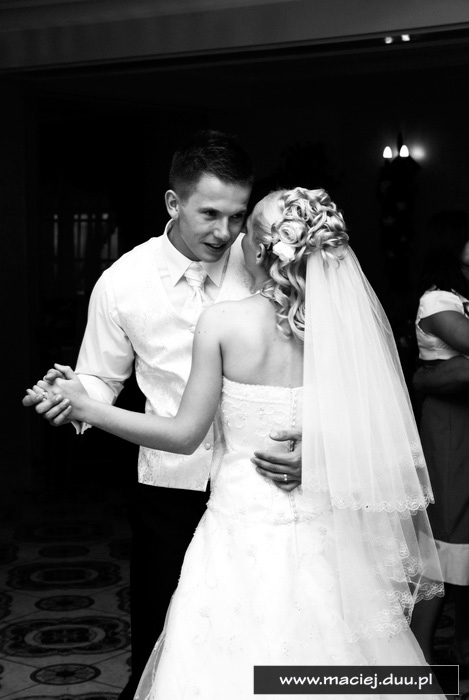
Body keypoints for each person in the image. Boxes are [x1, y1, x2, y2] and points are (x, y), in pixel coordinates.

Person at [27, 187, 444, 699]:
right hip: (326, 536)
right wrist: (324, 451)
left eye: (245, 228)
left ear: (262, 250)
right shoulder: (341, 331)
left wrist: (88, 407)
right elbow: (381, 428)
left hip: (238, 531)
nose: (233, 237)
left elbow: (184, 435)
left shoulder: (223, 323)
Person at [22, 130, 301, 700]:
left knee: (269, 643)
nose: (225, 232)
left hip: (266, 484)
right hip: (171, 489)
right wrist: (73, 394)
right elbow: (101, 378)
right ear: (173, 202)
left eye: (237, 215)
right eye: (209, 214)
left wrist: (317, 445)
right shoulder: (122, 282)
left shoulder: (267, 264)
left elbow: (318, 367)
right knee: (166, 644)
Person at [410, 211, 469, 670]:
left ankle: (462, 654)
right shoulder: (438, 299)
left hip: (463, 414)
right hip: (450, 424)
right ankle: (418, 654)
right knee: (444, 536)